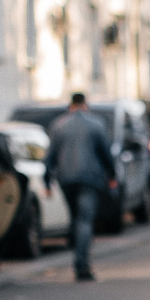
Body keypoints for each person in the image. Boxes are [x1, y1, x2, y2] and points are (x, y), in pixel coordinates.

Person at [45, 91, 115, 282]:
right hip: (90, 178)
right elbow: (106, 153)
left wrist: (47, 181)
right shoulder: (96, 124)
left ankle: (78, 255)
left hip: (66, 178)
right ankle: (82, 265)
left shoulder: (58, 125)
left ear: (70, 105)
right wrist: (112, 175)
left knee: (76, 219)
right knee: (85, 220)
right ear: (85, 104)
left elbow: (50, 156)